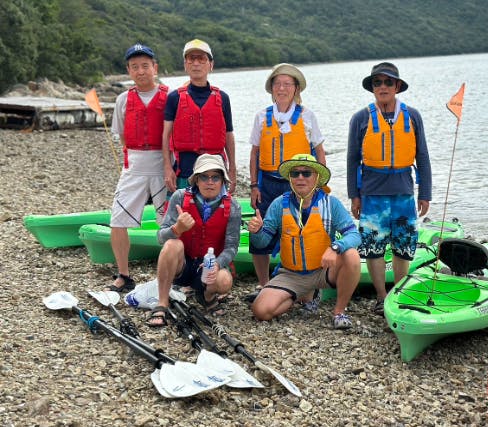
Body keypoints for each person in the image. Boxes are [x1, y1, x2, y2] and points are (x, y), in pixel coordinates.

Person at [346, 62, 432, 316]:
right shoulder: (361, 118)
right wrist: (354, 195)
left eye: (387, 82)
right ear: (372, 88)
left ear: (397, 86)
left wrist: (425, 192)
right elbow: (352, 160)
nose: (382, 87)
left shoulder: (413, 115)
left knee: (403, 246)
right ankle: (381, 295)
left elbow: (423, 157)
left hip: (404, 192)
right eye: (377, 83)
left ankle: (399, 292)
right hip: (372, 193)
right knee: (374, 247)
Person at [247, 154, 361, 330]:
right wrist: (256, 231)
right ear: (290, 178)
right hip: (291, 274)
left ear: (316, 177)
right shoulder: (279, 204)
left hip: (323, 270)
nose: (300, 177)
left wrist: (335, 247)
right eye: (295, 173)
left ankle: (339, 312)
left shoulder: (331, 204)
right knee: (260, 311)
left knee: (352, 256)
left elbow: (354, 235)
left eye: (306, 173)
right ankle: (303, 294)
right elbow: (262, 243)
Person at [248, 63, 326, 290]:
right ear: (272, 88)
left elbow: (319, 151)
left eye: (287, 84)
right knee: (260, 230)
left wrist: (319, 184)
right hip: (268, 182)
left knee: (300, 232)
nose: (281, 88)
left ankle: (305, 283)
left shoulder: (308, 116)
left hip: (298, 184)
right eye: (277, 84)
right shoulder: (262, 117)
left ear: (295, 89)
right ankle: (264, 284)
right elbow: (254, 152)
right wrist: (254, 185)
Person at [147, 154, 242, 327]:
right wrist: (177, 229)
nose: (210, 182)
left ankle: (206, 296)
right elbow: (160, 237)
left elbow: (231, 247)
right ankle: (162, 303)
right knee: (171, 244)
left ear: (222, 181)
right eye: (204, 177)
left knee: (225, 281)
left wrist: (218, 264)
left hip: (208, 266)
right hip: (182, 265)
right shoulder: (179, 197)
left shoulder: (233, 206)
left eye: (215, 177)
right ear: (196, 180)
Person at [107, 43, 168, 292]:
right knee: (117, 219)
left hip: (164, 164)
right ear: (128, 71)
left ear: (154, 68)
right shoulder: (123, 99)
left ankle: (170, 274)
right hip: (134, 164)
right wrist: (132, 157)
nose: (140, 71)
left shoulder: (169, 96)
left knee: (168, 221)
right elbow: (121, 135)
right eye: (135, 67)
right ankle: (123, 274)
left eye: (145, 66)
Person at [162, 38, 237, 198]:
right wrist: (168, 168)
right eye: (191, 59)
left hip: (215, 172)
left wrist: (232, 169)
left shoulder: (223, 98)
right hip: (184, 169)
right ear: (185, 64)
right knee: (181, 217)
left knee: (216, 218)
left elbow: (229, 135)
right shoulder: (174, 98)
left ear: (211, 64)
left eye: (201, 59)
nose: (196, 63)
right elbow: (166, 135)